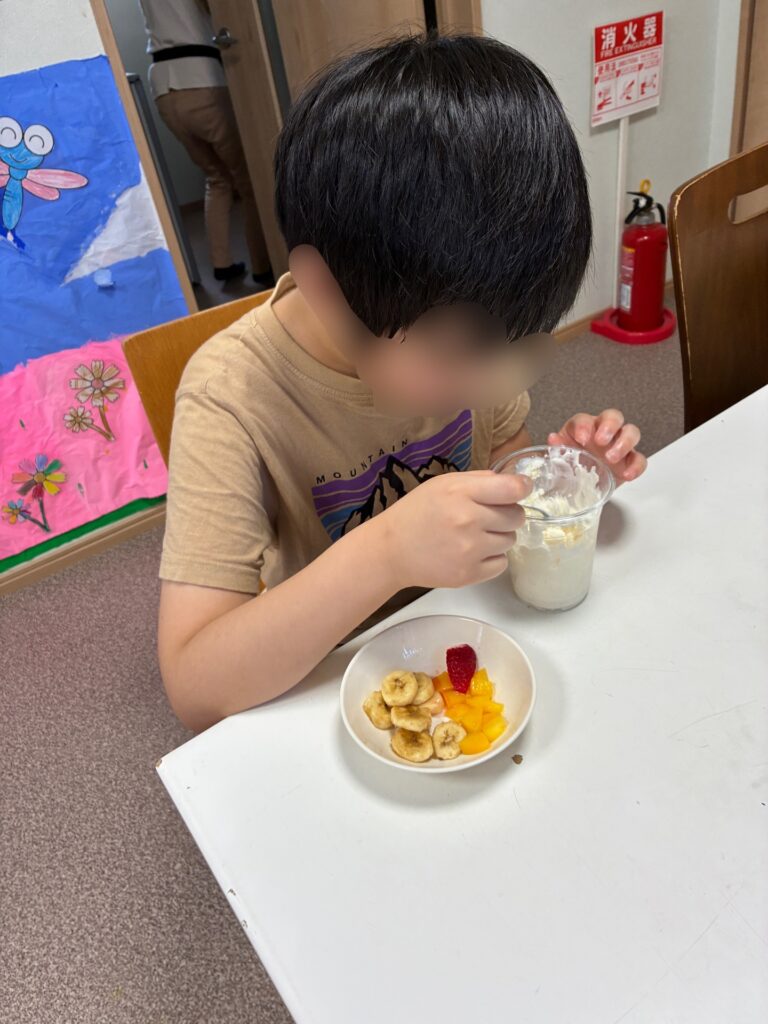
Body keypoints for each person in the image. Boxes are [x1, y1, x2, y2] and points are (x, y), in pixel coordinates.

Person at [157, 34, 647, 732]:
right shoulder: (229, 396)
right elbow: (194, 685)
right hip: (333, 669)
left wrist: (552, 478)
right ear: (330, 294)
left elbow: (498, 454)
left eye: (516, 346)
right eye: (458, 354)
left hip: (465, 626)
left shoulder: (483, 337)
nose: (491, 378)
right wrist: (387, 552)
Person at [138, 0, 274, 287]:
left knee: (216, 178)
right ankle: (264, 266)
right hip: (201, 77)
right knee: (247, 182)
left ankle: (221, 263)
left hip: (163, 87)